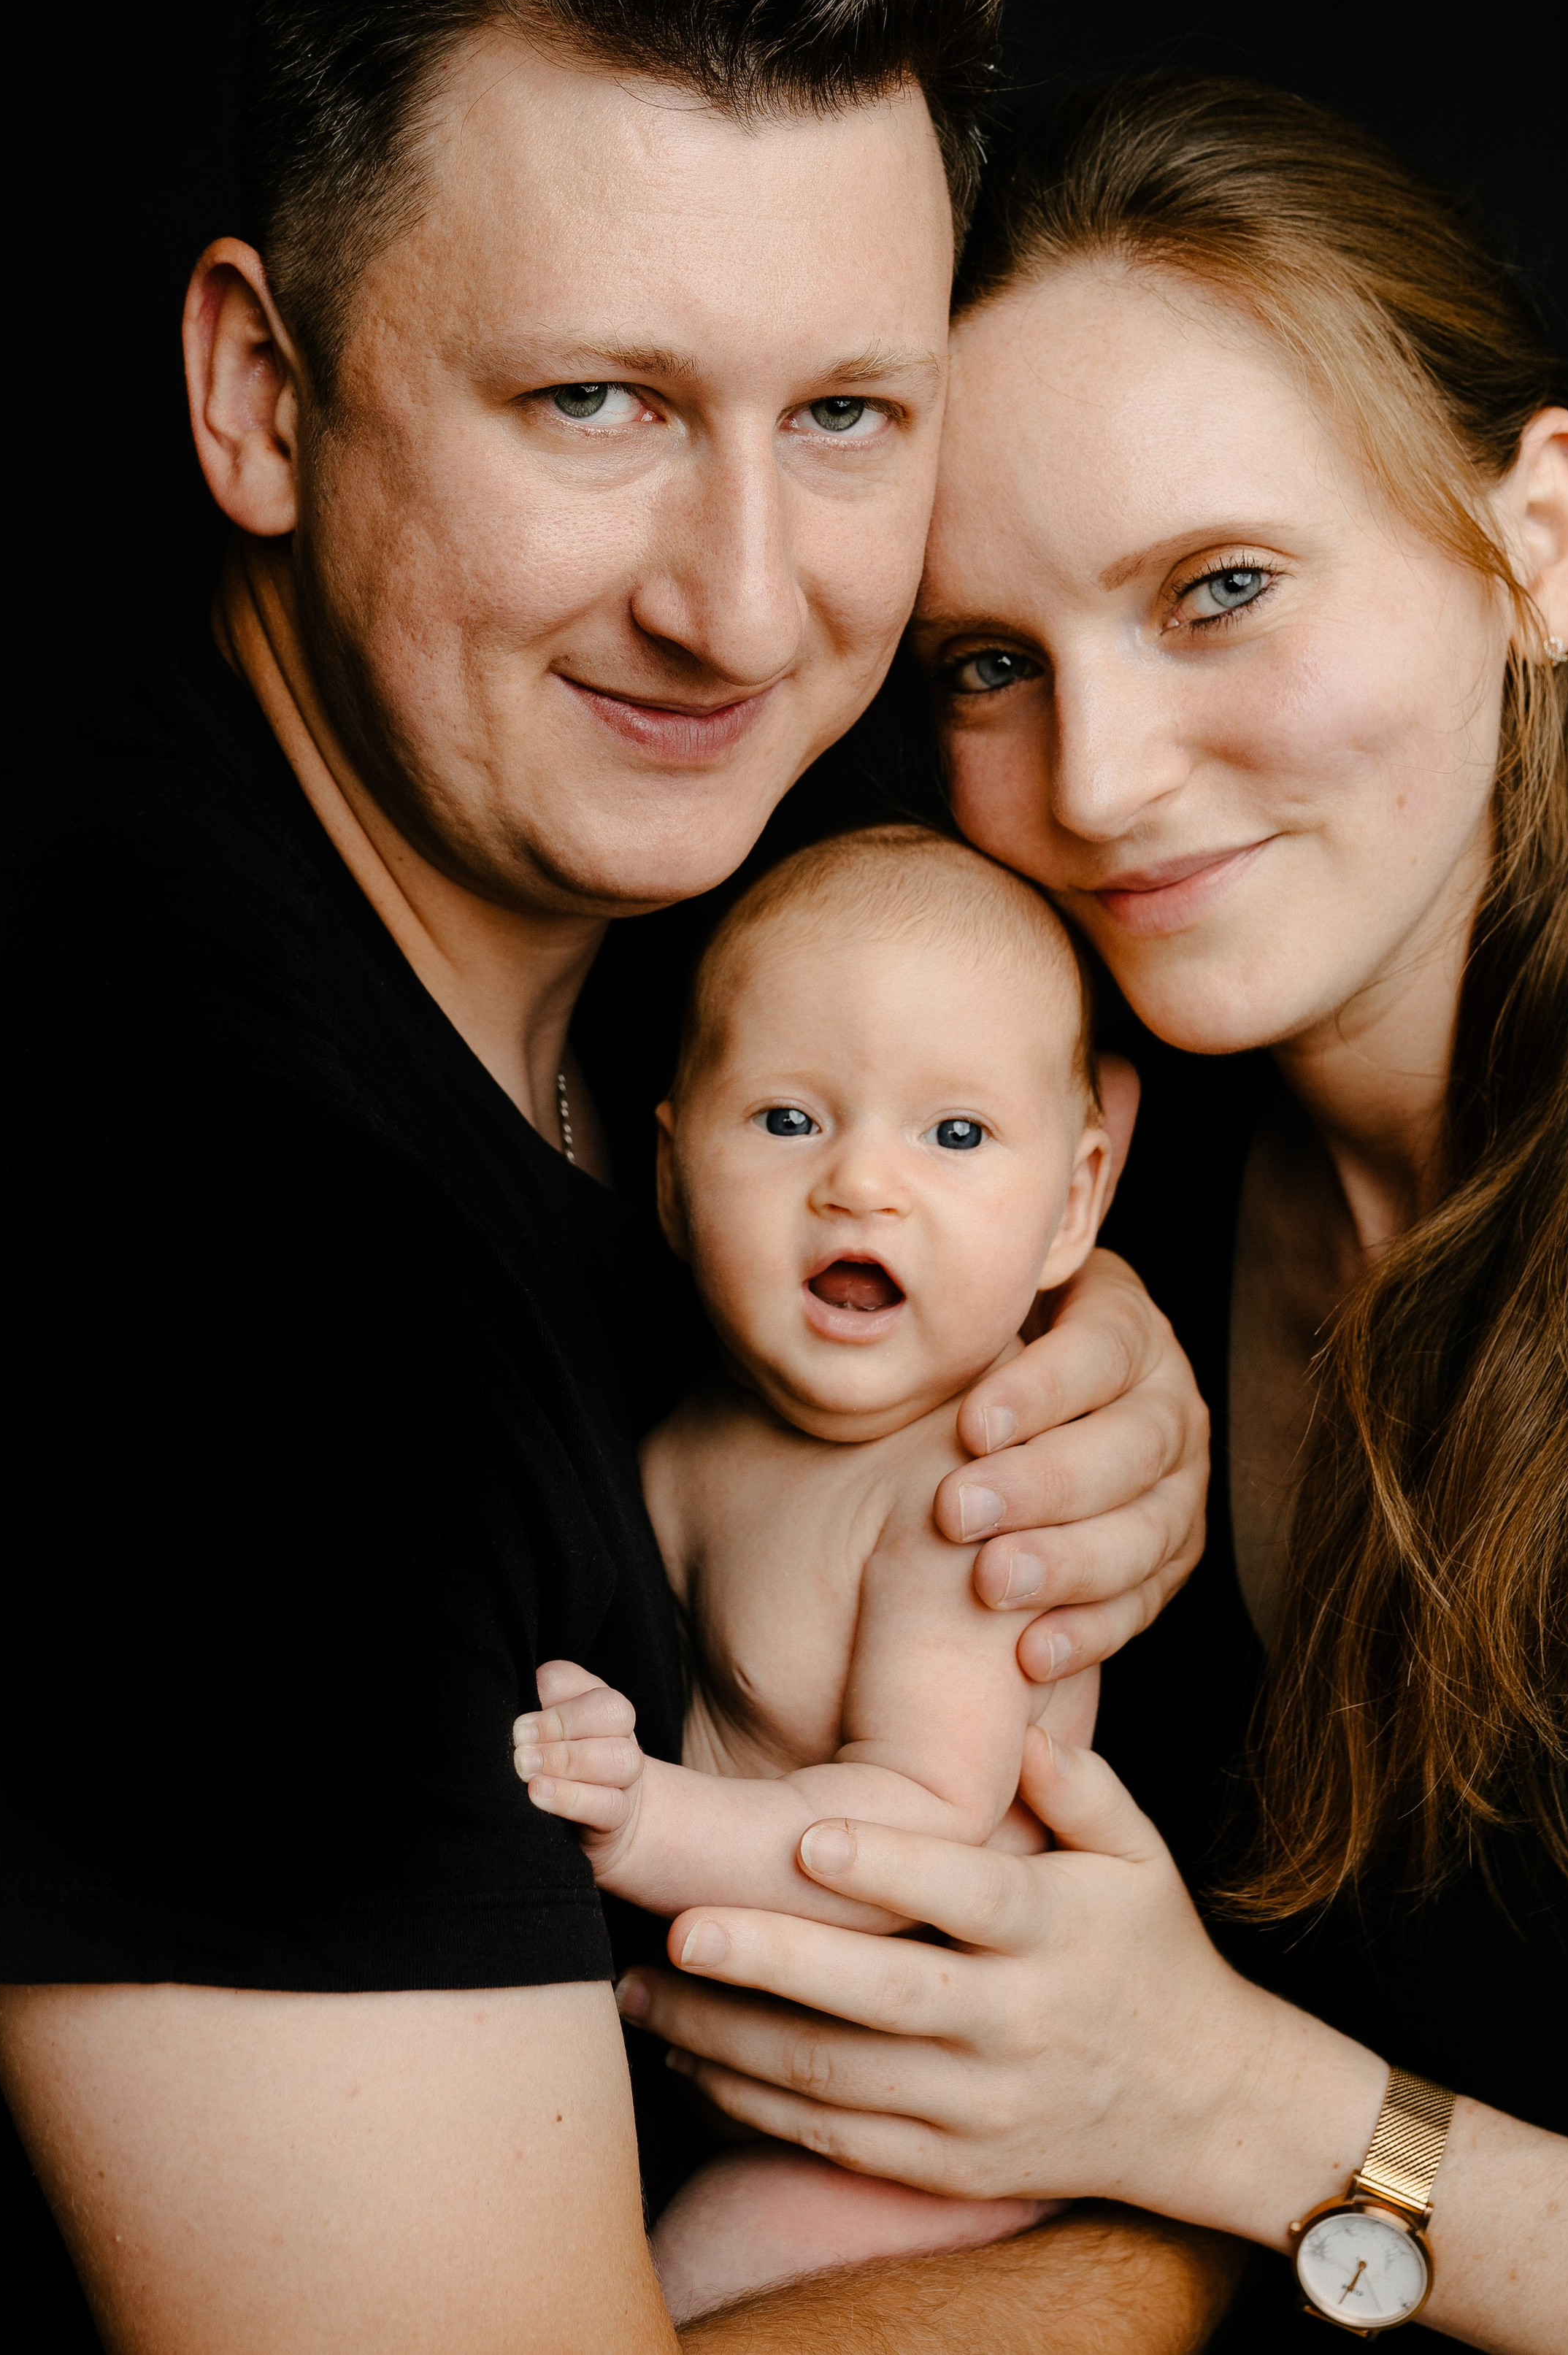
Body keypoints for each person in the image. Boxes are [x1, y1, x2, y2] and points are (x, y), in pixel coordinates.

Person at [0, 0, 1232, 2351]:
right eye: (596, 405)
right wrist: (1182, 2234)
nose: (741, 609)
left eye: (843, 417)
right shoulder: (206, 1274)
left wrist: (1049, 1341)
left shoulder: (664, 910)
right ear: (262, 392)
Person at [612, 72, 1568, 2351]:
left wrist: (1245, 2111)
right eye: (991, 662)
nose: (1100, 778)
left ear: (1541, 540)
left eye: (1220, 590)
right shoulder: (1064, 1159)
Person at [511, 825, 1118, 2316]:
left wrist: (644, 1820)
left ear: (1072, 1204)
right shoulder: (689, 1427)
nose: (861, 1185)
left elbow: (914, 1824)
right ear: (671, 1176)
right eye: (788, 1119)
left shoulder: (963, 1507)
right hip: (726, 2057)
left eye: (954, 1135)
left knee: (675, 2296)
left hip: (928, 2129)